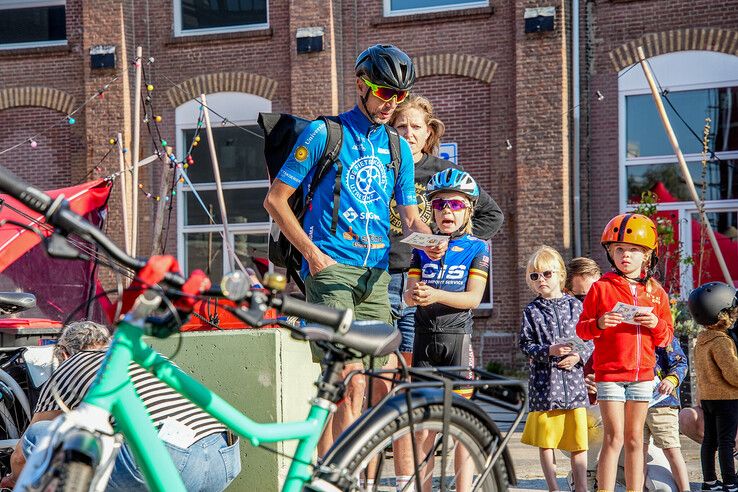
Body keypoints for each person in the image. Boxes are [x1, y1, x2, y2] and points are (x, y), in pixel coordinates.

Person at [263, 44, 439, 456]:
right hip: (330, 269)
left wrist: (434, 245)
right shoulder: (326, 133)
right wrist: (312, 256)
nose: (390, 104)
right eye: (383, 92)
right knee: (349, 380)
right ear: (361, 84)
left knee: (386, 377)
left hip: (376, 276)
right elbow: (276, 200)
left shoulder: (398, 149)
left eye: (399, 97)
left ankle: (353, 471)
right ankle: (329, 472)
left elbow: (410, 219)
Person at [1, 321, 240, 490]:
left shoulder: (74, 362)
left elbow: (23, 454)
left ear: (63, 353)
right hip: (224, 458)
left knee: (38, 435)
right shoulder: (144, 356)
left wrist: (13, 480)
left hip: (169, 458)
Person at [387, 95, 503, 364]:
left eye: (416, 127)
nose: (408, 133)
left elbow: (492, 215)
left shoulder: (444, 172)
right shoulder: (381, 170)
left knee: (409, 359)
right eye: (401, 126)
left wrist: (453, 247)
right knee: (380, 360)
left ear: (428, 132)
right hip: (384, 276)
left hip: (425, 279)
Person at [403, 169, 490, 492]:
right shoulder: (422, 246)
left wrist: (437, 295)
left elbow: (473, 298)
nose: (447, 211)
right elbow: (408, 294)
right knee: (424, 428)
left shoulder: (477, 248)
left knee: (460, 428)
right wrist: (414, 295)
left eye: (455, 204)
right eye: (439, 205)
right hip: (424, 339)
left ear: (468, 210)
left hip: (457, 341)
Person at [576, 213, 673, 492]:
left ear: (647, 256)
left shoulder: (656, 293)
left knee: (634, 439)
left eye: (633, 250)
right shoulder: (600, 288)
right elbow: (582, 330)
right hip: (609, 374)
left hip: (643, 375)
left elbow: (667, 337)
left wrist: (656, 324)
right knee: (613, 437)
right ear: (610, 252)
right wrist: (598, 323)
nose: (625, 255)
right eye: (619, 249)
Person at [518, 245, 591, 492]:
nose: (541, 280)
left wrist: (578, 356)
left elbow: (589, 339)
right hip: (545, 386)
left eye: (547, 274)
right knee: (546, 441)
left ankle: (581, 486)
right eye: (535, 276)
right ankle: (553, 487)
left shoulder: (576, 307)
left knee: (578, 441)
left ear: (560, 274)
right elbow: (525, 344)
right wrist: (547, 351)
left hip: (573, 384)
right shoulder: (531, 311)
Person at [688, 282, 738, 492]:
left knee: (710, 440)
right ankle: (730, 482)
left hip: (708, 398)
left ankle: (709, 482)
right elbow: (733, 374)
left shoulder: (702, 339)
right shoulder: (721, 341)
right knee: (726, 441)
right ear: (723, 313)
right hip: (727, 398)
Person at [644, 337, 690, 492]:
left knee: (671, 449)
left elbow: (680, 362)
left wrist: (672, 379)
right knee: (637, 453)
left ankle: (685, 489)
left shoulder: (664, 335)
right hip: (634, 403)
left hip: (663, 403)